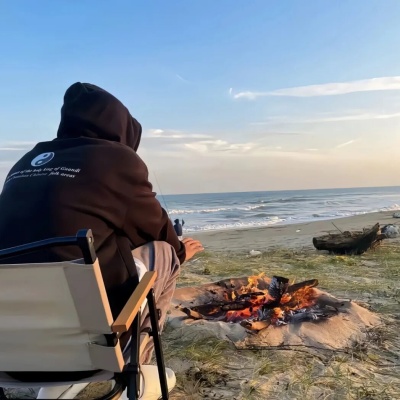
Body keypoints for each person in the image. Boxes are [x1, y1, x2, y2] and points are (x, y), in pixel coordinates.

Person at [0, 82, 204, 397]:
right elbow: (157, 230)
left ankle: (62, 375)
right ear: (121, 129)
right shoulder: (116, 160)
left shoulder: (25, 163)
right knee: (164, 252)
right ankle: (137, 364)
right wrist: (181, 253)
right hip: (93, 344)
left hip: (16, 353)